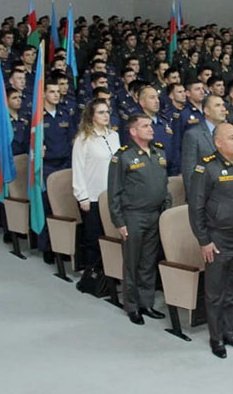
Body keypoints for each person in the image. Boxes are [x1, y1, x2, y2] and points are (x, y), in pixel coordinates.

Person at [188, 123, 233, 358]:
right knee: (215, 292)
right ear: (218, 143)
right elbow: (196, 207)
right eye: (232, 138)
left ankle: (230, 332)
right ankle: (216, 337)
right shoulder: (206, 168)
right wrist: (204, 240)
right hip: (218, 238)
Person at [107, 114, 172, 325]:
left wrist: (166, 209)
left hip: (155, 214)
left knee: (148, 261)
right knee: (132, 262)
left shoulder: (159, 152)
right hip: (133, 215)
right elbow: (114, 191)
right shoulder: (122, 156)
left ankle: (146, 303)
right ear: (133, 131)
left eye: (150, 125)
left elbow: (164, 184)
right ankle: (132, 306)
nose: (151, 129)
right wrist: (119, 221)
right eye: (145, 126)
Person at [71, 99, 121, 272]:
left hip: (112, 194)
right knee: (94, 237)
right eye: (101, 112)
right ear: (91, 116)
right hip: (92, 196)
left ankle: (110, 272)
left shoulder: (114, 135)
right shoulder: (83, 139)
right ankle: (93, 274)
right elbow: (77, 169)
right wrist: (82, 196)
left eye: (107, 112)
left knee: (111, 236)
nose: (106, 115)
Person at [180, 94, 228, 198]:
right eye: (217, 105)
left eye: (223, 105)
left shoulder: (230, 131)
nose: (223, 109)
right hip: (207, 194)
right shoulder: (193, 135)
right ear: (206, 111)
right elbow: (189, 171)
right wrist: (194, 199)